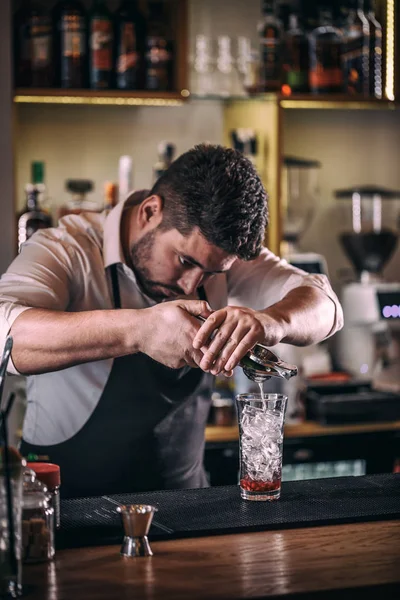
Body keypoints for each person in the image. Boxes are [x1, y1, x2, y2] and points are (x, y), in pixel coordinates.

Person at [0, 145, 343, 497]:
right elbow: (5, 336)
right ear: (150, 211)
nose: (190, 284)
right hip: (63, 510)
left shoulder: (215, 253)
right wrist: (139, 330)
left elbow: (326, 304)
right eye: (183, 260)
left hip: (186, 507)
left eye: (210, 272)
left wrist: (272, 322)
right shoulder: (67, 249)